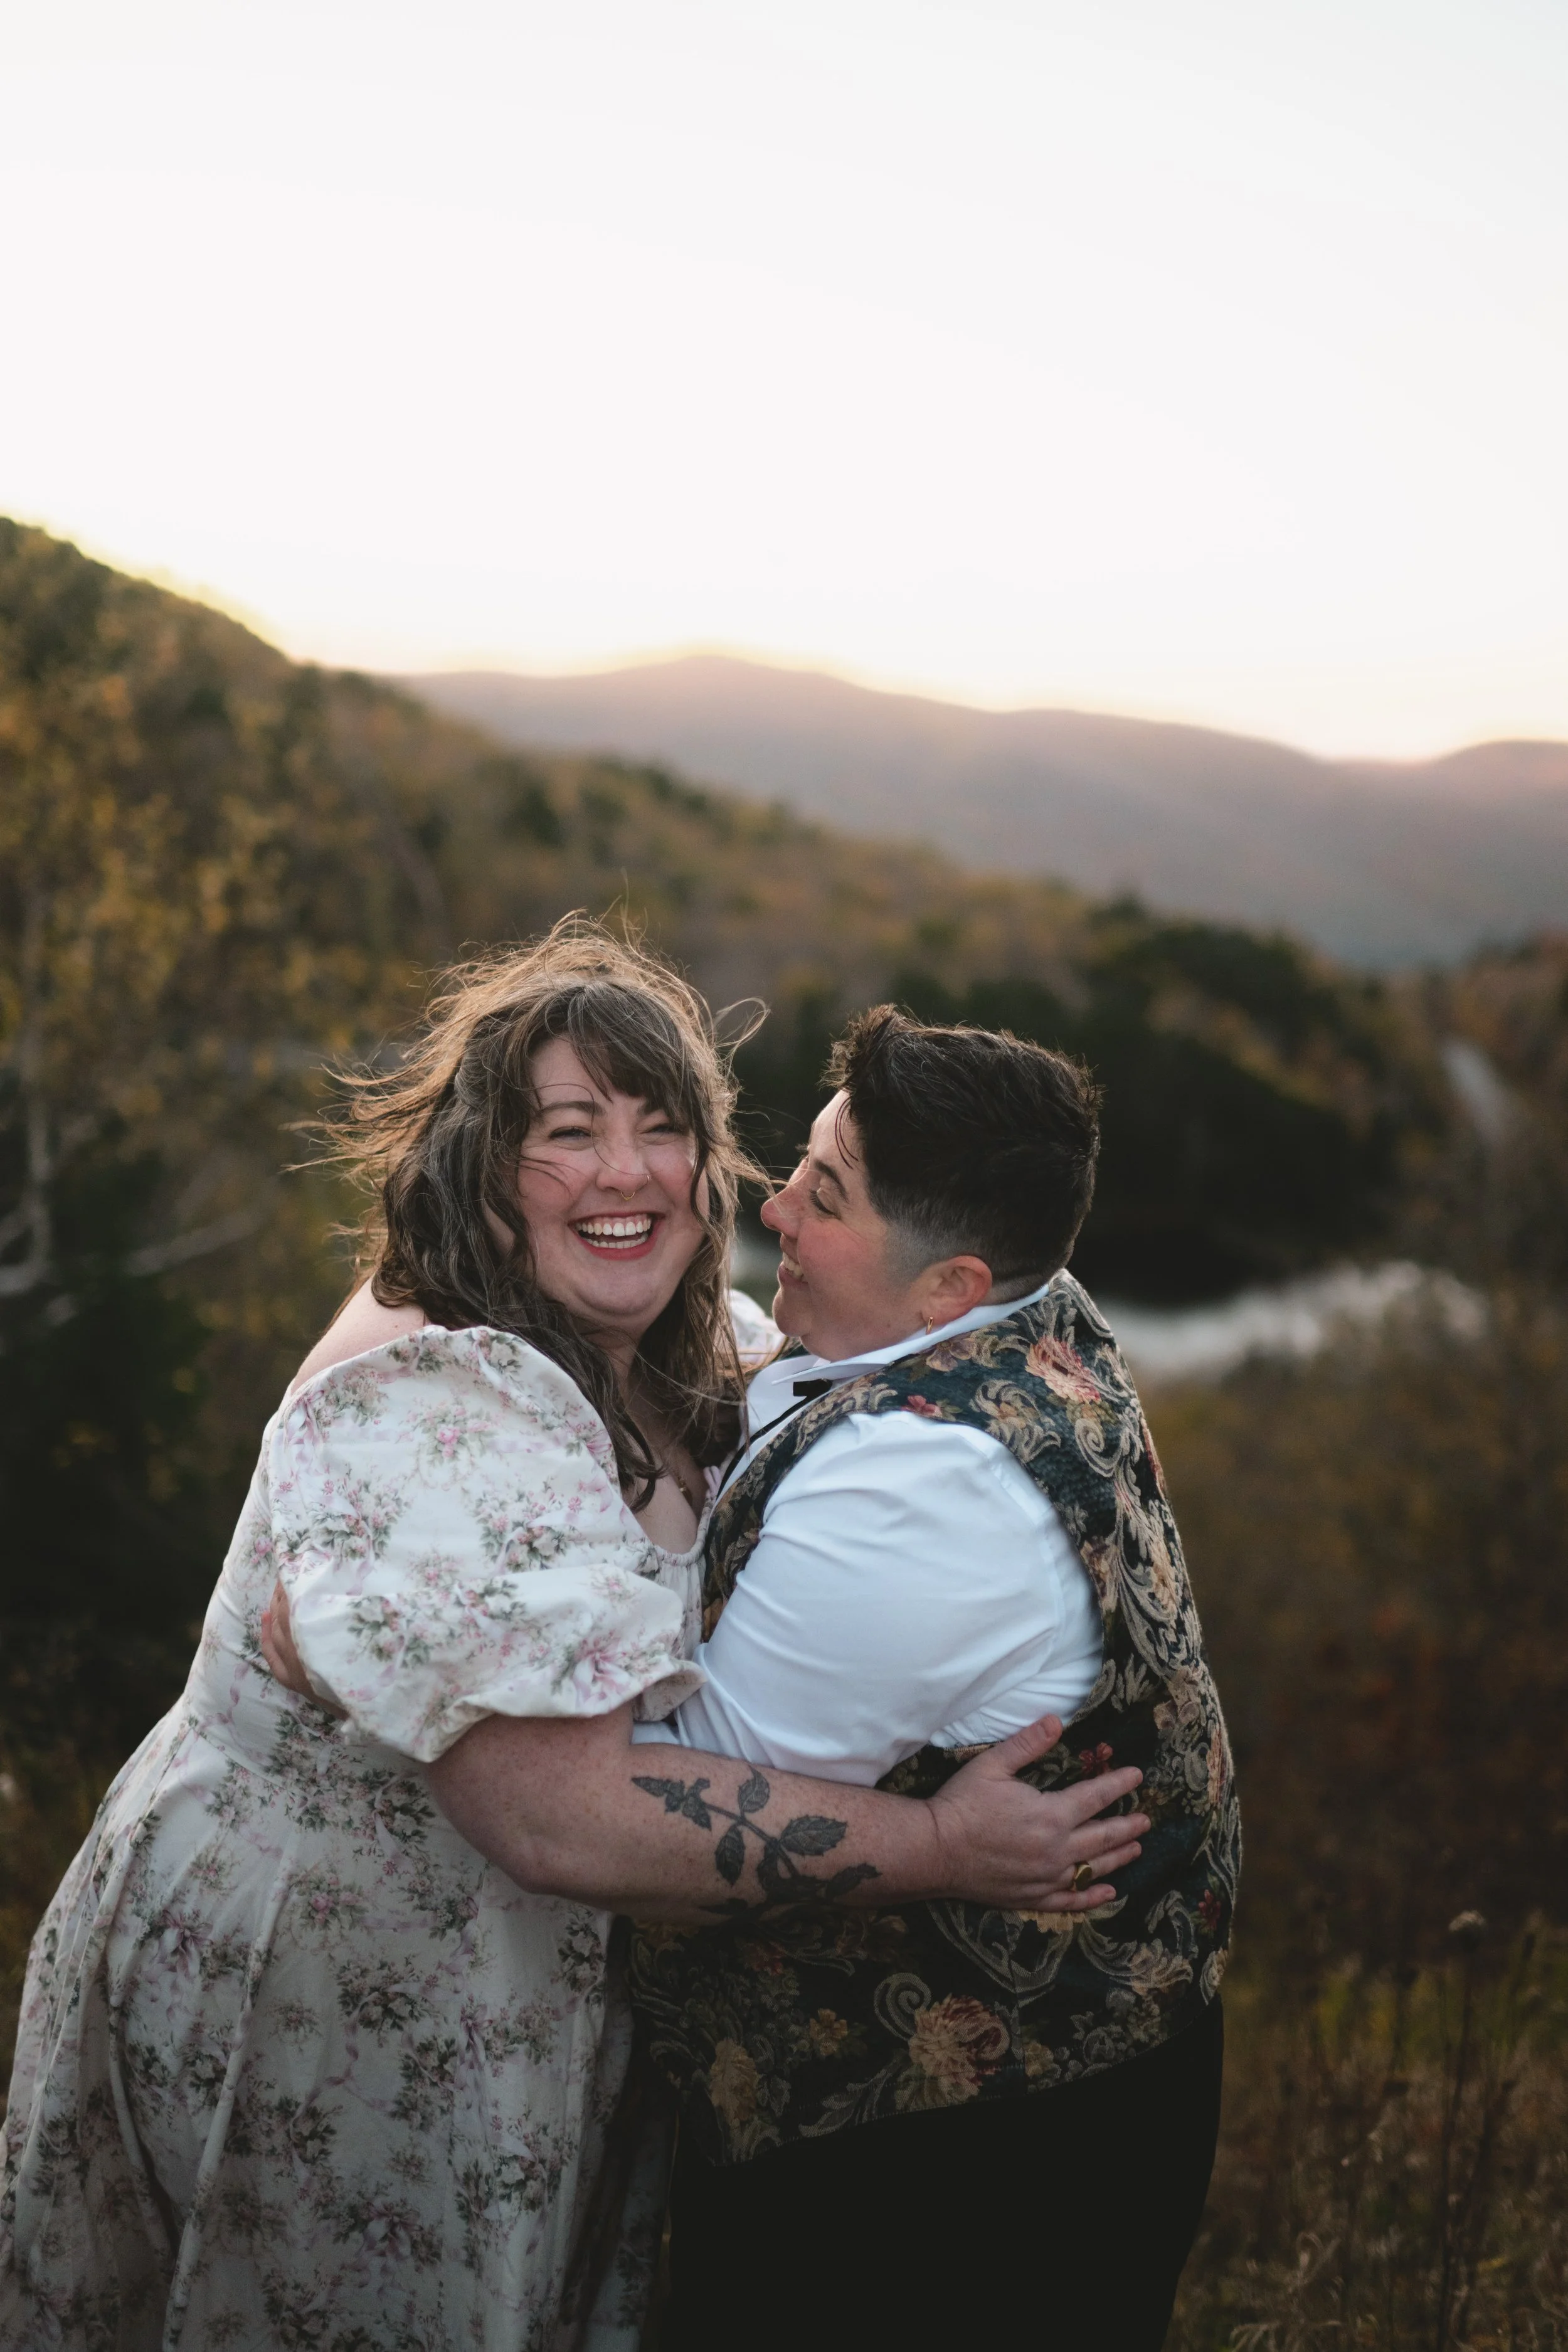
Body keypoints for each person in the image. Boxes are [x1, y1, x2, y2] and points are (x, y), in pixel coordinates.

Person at [0, 931, 1132, 2352]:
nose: (625, 1173)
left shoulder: (697, 1342)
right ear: (481, 1165)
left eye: (665, 1130)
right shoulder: (432, 1387)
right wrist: (941, 1850)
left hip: (535, 1997)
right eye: (569, 1132)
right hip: (336, 1979)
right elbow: (549, 1816)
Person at [430, 1004, 1238, 2351]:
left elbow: (658, 1801)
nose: (772, 1205)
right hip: (1047, 2096)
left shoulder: (921, 1489)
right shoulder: (1005, 1316)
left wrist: (437, 1631)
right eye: (802, 1162)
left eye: (825, 1196)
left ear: (950, 1289)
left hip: (951, 2176)